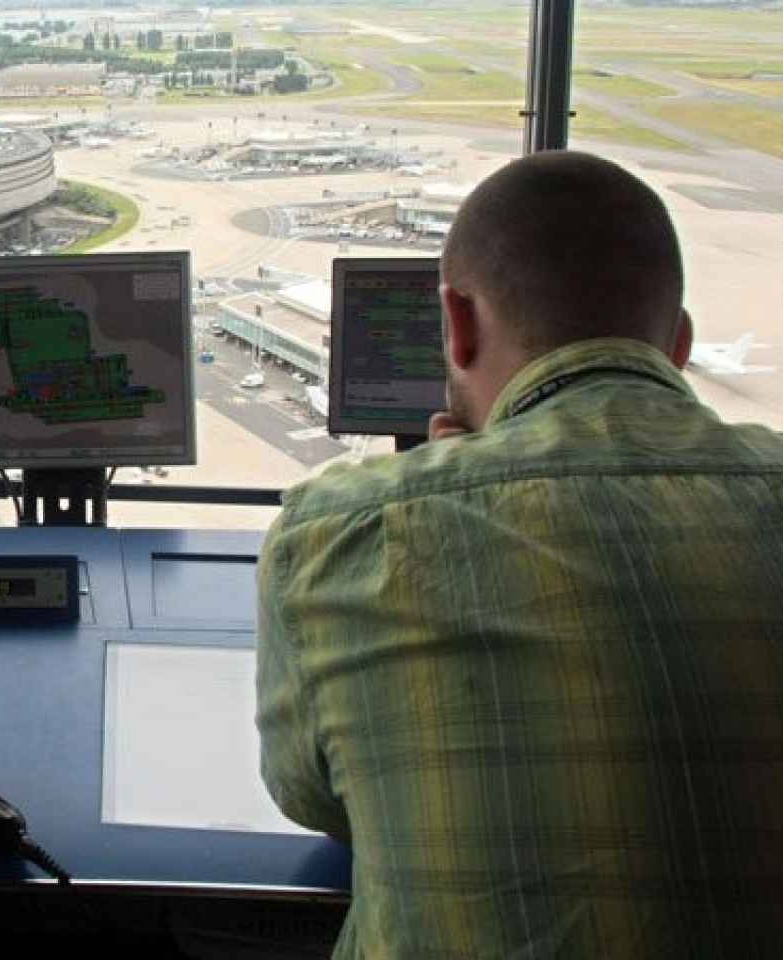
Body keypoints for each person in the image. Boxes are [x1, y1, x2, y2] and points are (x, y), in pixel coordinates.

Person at [256, 150, 783, 957]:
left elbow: (312, 799)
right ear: (677, 343)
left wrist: (433, 488)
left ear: (458, 325)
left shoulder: (343, 531)